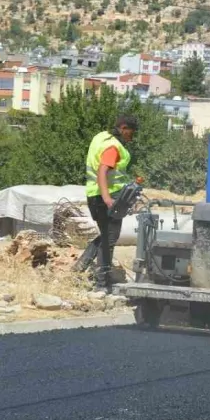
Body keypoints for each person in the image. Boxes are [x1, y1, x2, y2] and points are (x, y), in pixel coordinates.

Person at [83, 115, 136, 292]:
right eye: (131, 132)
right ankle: (101, 285)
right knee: (109, 240)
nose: (132, 136)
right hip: (106, 198)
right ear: (123, 127)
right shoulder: (113, 146)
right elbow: (102, 170)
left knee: (105, 236)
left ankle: (79, 267)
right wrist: (107, 198)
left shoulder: (101, 137)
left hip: (94, 195)